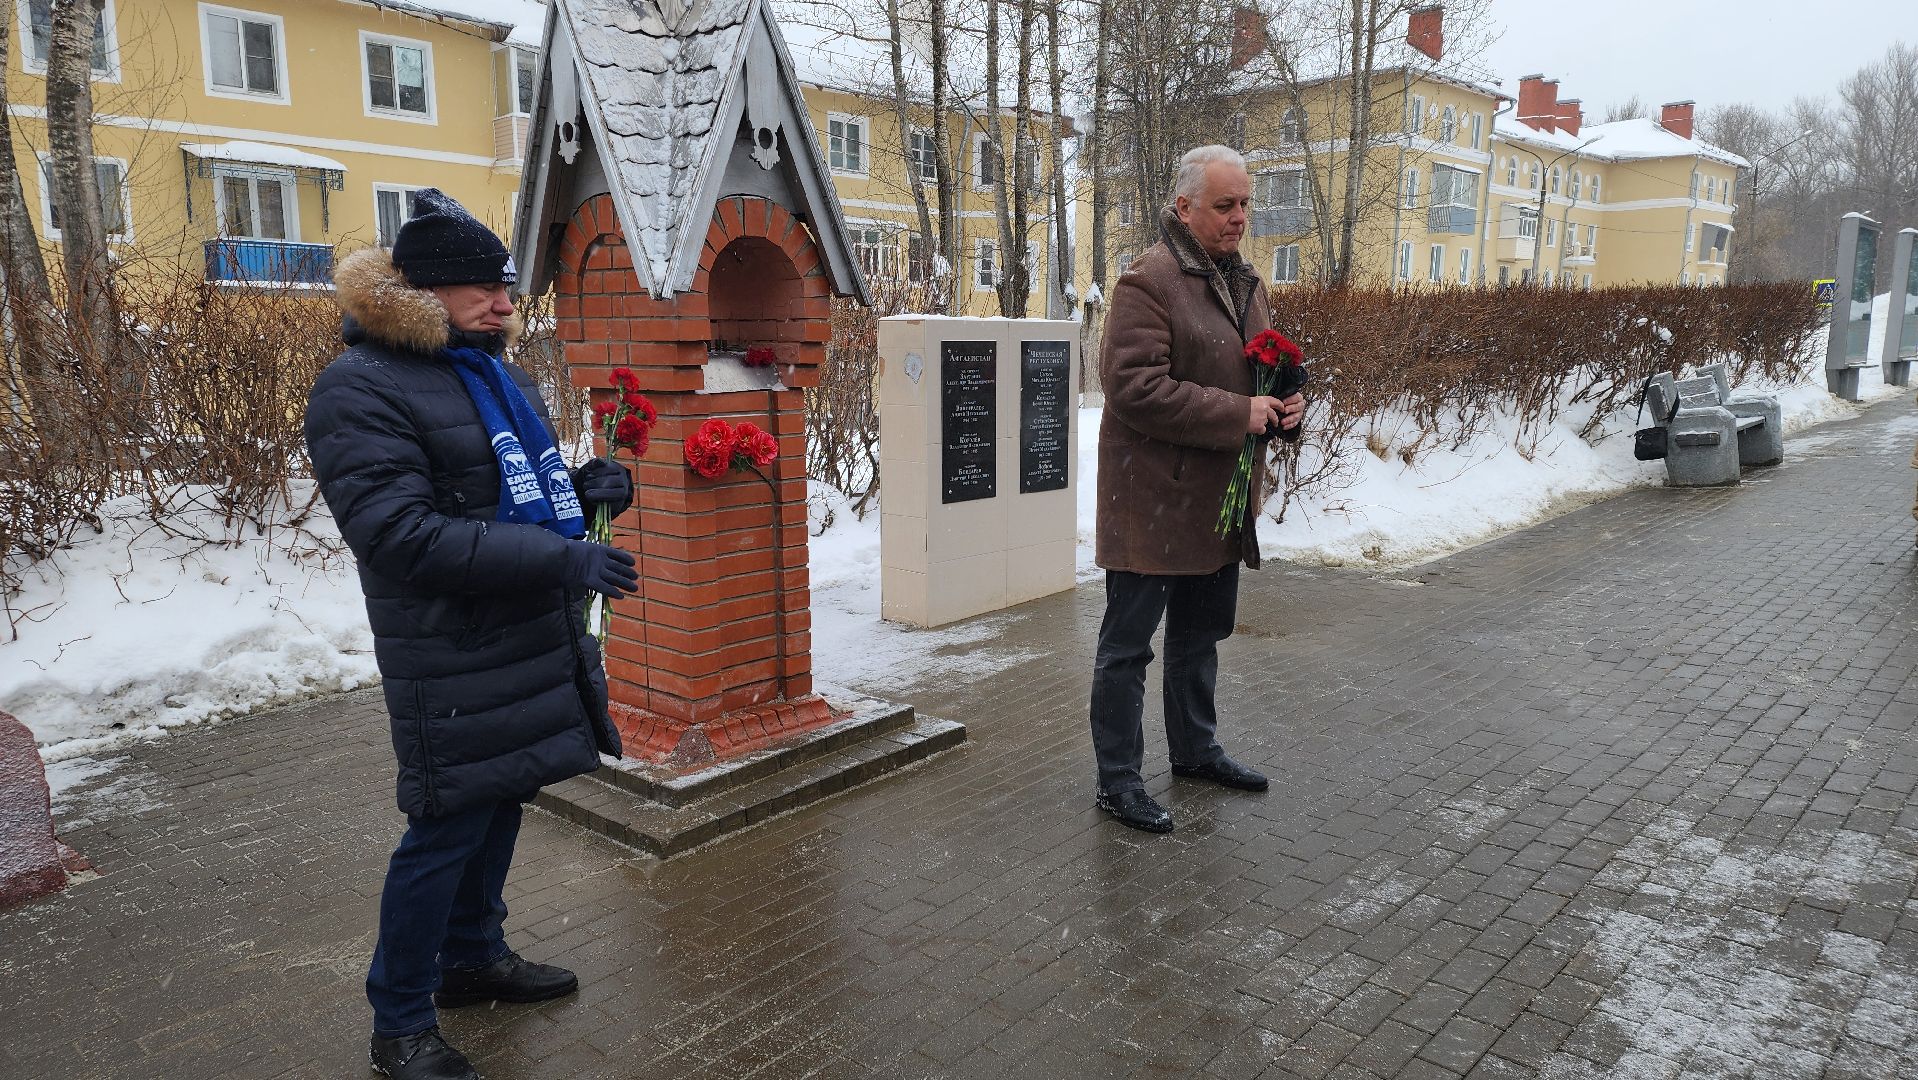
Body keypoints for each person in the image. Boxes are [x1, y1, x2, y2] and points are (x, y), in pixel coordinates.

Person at [305, 190, 640, 1080]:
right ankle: (400, 1022)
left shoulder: (493, 373)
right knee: (444, 829)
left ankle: (471, 959)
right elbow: (401, 536)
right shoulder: (358, 388)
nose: (505, 304)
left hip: (521, 638)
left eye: (506, 287)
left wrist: (583, 489)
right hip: (448, 649)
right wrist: (561, 562)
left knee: (504, 799)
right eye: (485, 289)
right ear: (423, 293)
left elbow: (502, 490)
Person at [1089, 145, 1306, 834]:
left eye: (1245, 203)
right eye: (1225, 205)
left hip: (1217, 497)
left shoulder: (1245, 282)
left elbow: (1256, 370)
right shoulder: (1147, 282)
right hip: (1151, 500)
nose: (1240, 217)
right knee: (1128, 648)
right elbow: (1132, 389)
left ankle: (1195, 751)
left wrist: (1285, 404)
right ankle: (1118, 781)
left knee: (1198, 637)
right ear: (1183, 208)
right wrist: (1235, 413)